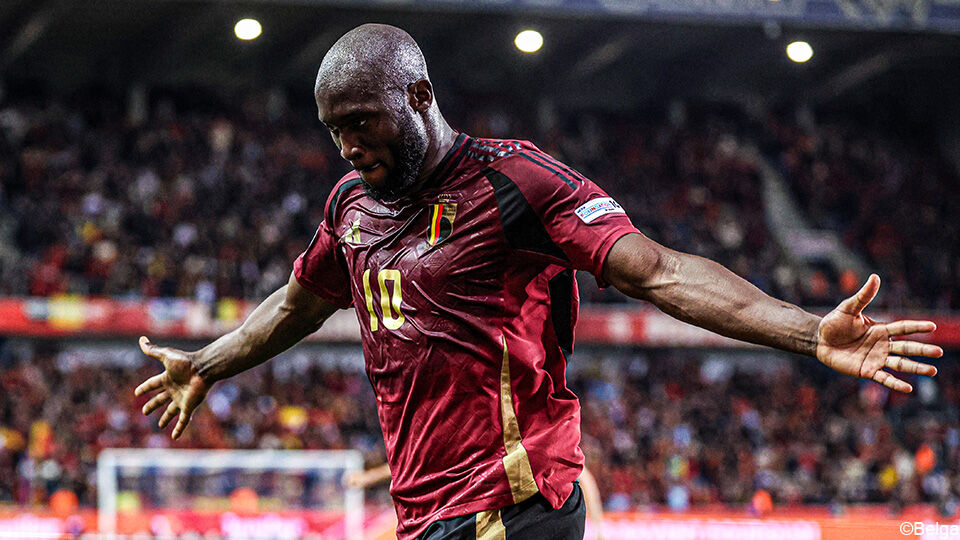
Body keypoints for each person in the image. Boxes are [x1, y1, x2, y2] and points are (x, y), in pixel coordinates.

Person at [134, 23, 943, 540]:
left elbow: (657, 270)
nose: (347, 146)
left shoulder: (517, 183)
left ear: (417, 97)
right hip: (426, 515)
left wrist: (807, 332)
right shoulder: (351, 207)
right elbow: (297, 304)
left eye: (361, 122)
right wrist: (207, 362)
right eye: (334, 130)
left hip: (513, 505)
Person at [344, 463, 606, 538]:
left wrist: (600, 527)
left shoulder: (536, 443)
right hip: (454, 516)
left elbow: (583, 475)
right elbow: (415, 464)